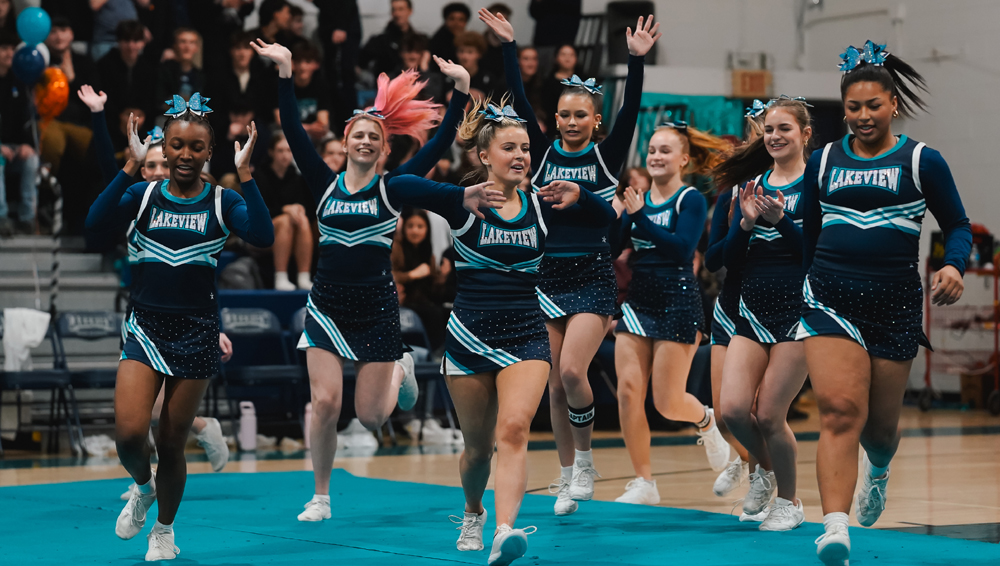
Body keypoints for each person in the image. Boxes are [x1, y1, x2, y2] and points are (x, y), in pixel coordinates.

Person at [251, 38, 500, 523]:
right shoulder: (324, 184)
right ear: (344, 142)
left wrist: (461, 93)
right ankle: (321, 495)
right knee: (323, 403)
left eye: (374, 137)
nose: (365, 141)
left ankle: (402, 368)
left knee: (370, 417)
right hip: (326, 307)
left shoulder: (393, 189)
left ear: (385, 148)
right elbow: (293, 129)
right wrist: (284, 73)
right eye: (357, 134)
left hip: (375, 311)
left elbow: (436, 150)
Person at [385, 97, 615, 566]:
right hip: (468, 337)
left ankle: (506, 530)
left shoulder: (541, 205)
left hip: (526, 336)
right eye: (509, 147)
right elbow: (396, 185)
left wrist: (584, 196)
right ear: (485, 156)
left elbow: (610, 222)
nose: (522, 156)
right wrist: (454, 196)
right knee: (476, 450)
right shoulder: (466, 205)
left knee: (513, 431)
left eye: (526, 148)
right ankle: (473, 512)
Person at [480, 8, 659, 515]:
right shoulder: (540, 151)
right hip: (547, 274)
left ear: (595, 120)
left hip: (592, 274)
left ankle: (585, 462)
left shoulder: (607, 156)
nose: (572, 122)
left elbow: (632, 111)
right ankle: (566, 475)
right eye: (564, 115)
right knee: (554, 382)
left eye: (581, 115)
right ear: (554, 118)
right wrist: (509, 47)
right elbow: (516, 99)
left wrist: (635, 61)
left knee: (575, 371)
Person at [800, 41, 971, 566]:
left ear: (893, 104)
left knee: (878, 429)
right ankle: (834, 527)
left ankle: (878, 469)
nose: (863, 116)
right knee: (838, 411)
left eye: (873, 105)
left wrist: (953, 265)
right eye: (853, 107)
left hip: (894, 304)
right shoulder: (824, 159)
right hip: (829, 298)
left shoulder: (922, 160)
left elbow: (958, 226)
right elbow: (809, 229)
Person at [84, 97, 273, 561]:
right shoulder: (143, 195)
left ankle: (164, 530)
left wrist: (246, 174)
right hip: (146, 328)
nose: (185, 155)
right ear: (164, 149)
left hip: (197, 332)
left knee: (171, 442)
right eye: (176, 146)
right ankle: (143, 488)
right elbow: (93, 227)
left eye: (196, 147)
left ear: (210, 152)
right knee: (129, 436)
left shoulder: (222, 200)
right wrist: (129, 165)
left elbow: (264, 236)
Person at [613, 121, 731, 504]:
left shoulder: (690, 199)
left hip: (678, 302)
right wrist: (619, 214)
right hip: (638, 301)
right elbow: (614, 246)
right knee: (629, 393)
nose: (656, 157)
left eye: (665, 151)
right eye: (651, 150)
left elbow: (682, 250)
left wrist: (640, 216)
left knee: (666, 402)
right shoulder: (637, 198)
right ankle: (644, 482)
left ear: (683, 158)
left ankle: (706, 420)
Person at [711, 96, 814, 531]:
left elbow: (818, 254)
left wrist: (783, 222)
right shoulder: (742, 191)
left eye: (784, 129)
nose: (774, 136)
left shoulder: (818, 187)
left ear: (805, 134)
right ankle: (766, 472)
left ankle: (790, 502)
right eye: (769, 129)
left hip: (798, 314)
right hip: (750, 311)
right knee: (733, 410)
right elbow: (718, 259)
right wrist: (747, 224)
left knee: (771, 414)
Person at [702, 104, 763, 506]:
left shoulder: (795, 187)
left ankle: (764, 481)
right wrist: (744, 224)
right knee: (725, 412)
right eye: (758, 135)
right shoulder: (730, 191)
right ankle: (745, 461)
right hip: (730, 302)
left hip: (771, 305)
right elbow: (712, 259)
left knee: (759, 410)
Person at [256, 133, 314, 290]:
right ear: (271, 152)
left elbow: (303, 204)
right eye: (280, 150)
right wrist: (285, 209)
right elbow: (259, 211)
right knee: (285, 220)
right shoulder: (259, 175)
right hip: (262, 231)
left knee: (303, 219)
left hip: (290, 229)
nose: (285, 155)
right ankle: (280, 277)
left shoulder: (295, 177)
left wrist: (299, 209)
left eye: (288, 151)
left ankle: (304, 276)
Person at [0, 32, 38, 236]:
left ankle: (27, 217)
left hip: (14, 148)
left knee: (31, 160)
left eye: (12, 49)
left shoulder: (21, 81)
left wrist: (27, 144)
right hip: (0, 150)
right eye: (4, 48)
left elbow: (27, 119)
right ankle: (2, 217)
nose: (9, 53)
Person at [97, 20, 157, 132]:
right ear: (118, 41)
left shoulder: (148, 67)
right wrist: (121, 115)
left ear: (143, 43)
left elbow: (151, 98)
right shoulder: (105, 64)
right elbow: (103, 95)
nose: (131, 46)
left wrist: (141, 113)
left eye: (136, 40)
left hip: (141, 121)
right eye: (126, 40)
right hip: (113, 121)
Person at [315, 0, 360, 125]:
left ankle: (349, 125)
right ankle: (342, 125)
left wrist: (342, 26)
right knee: (332, 81)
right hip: (332, 28)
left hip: (341, 32)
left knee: (343, 80)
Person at [360, 0, 415, 79]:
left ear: (410, 11)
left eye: (401, 9)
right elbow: (361, 62)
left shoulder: (417, 41)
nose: (397, 14)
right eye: (394, 10)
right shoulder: (379, 41)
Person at [156, 28, 206, 108]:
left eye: (192, 42)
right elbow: (158, 101)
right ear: (175, 45)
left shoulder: (201, 75)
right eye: (183, 41)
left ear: (196, 47)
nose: (187, 47)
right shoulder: (163, 71)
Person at [528, 0, 581, 75]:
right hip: (541, 40)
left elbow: (571, 8)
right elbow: (533, 11)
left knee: (554, 75)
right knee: (536, 75)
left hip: (561, 41)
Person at [540, 44, 579, 136]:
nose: (567, 58)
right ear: (556, 58)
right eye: (563, 54)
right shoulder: (548, 82)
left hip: (579, 125)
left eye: (571, 55)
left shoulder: (584, 81)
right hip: (554, 127)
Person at [455, 31, 504, 96]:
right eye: (461, 51)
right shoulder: (450, 78)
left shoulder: (489, 79)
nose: (464, 56)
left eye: (470, 52)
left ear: (479, 54)